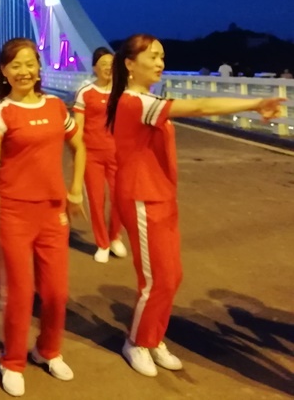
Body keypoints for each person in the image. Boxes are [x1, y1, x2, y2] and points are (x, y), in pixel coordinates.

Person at [106, 33, 284, 378]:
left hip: (161, 196)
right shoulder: (133, 102)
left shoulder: (147, 99)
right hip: (142, 198)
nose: (160, 63)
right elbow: (200, 107)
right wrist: (253, 104)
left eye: (162, 56)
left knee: (172, 276)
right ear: (129, 64)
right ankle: (136, 342)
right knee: (156, 279)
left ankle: (153, 338)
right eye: (152, 56)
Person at [0, 38, 86, 397]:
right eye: (15, 65)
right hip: (14, 212)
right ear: (4, 72)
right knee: (19, 294)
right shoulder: (1, 112)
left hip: (53, 212)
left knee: (56, 293)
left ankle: (48, 351)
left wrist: (75, 188)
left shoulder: (56, 107)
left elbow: (78, 145)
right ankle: (12, 360)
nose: (24, 71)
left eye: (30, 63)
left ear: (39, 67)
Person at [73, 47, 127, 263]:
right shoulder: (85, 93)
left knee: (120, 199)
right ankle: (102, 243)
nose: (108, 68)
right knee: (96, 200)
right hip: (92, 155)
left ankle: (115, 236)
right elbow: (78, 126)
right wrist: (77, 152)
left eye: (111, 64)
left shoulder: (123, 92)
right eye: (103, 64)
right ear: (94, 67)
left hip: (118, 154)